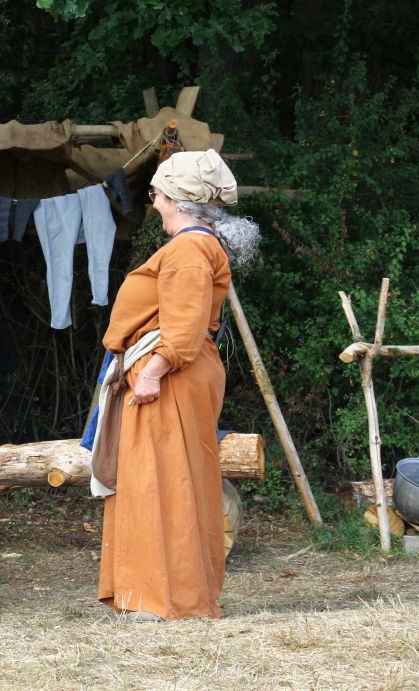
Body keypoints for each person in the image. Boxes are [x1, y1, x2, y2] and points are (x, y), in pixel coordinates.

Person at [96, 149, 260, 622]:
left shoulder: (188, 250)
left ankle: (167, 598)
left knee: (164, 482)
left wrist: (152, 372)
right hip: (172, 376)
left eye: (157, 194)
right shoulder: (194, 247)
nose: (153, 203)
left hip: (169, 379)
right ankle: (154, 593)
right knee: (159, 479)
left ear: (177, 200)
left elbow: (184, 329)